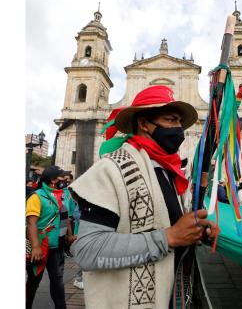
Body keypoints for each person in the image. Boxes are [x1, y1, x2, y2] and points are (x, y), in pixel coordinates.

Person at [69, 85, 216, 309]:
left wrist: (196, 231)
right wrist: (168, 238)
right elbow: (87, 251)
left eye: (180, 122)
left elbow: (169, 226)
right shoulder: (110, 169)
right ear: (144, 124)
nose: (179, 129)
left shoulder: (166, 172)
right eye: (170, 120)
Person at [25, 166, 70, 309]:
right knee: (33, 282)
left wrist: (69, 235)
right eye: (62, 177)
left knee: (57, 281)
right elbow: (31, 223)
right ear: (53, 180)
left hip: (57, 247)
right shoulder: (36, 196)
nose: (65, 179)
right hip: (40, 247)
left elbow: (66, 217)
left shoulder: (64, 195)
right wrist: (36, 247)